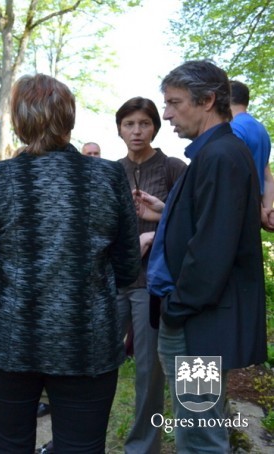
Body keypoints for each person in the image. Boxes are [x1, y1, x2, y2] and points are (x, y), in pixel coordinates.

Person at [0, 73, 141, 453]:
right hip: (86, 342)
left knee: (8, 445)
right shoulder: (108, 175)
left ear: (19, 121)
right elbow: (128, 266)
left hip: (8, 339)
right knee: (81, 446)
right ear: (69, 118)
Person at [148, 60, 267, 452]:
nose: (167, 114)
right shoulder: (215, 153)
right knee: (198, 426)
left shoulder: (221, 156)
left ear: (208, 100)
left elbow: (213, 247)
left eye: (174, 102)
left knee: (200, 435)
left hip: (198, 325)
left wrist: (177, 308)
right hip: (198, 320)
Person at [114, 97, 186, 454]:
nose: (137, 131)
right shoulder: (111, 172)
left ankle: (142, 447)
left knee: (148, 370)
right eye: (129, 124)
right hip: (113, 281)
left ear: (155, 126)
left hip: (152, 284)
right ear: (119, 129)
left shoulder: (174, 168)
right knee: (96, 362)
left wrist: (155, 236)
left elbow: (191, 222)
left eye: (144, 123)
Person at [230, 80, 274, 230]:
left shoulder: (234, 128)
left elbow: (237, 173)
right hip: (255, 212)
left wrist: (258, 210)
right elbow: (267, 177)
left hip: (240, 208)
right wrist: (267, 210)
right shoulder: (261, 130)